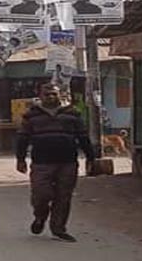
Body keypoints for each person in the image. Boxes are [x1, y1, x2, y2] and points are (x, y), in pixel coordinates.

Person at [16, 83, 95, 242]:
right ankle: (40, 216)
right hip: (41, 163)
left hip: (67, 162)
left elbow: (83, 137)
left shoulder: (73, 114)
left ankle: (59, 229)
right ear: (41, 96)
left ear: (59, 95)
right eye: (47, 94)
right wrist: (20, 159)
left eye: (54, 94)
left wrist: (90, 158)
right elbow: (22, 138)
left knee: (63, 196)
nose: (51, 97)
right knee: (41, 194)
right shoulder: (31, 116)